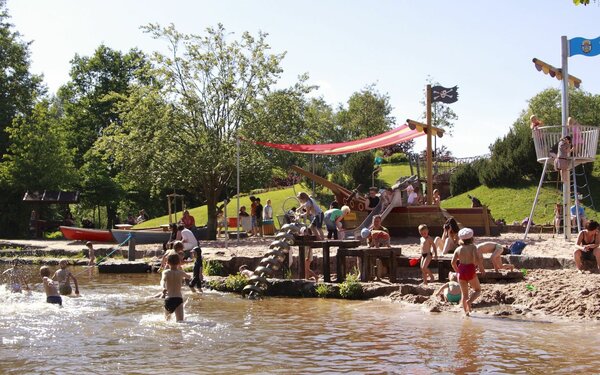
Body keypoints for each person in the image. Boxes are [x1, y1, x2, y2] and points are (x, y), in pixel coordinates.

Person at [451, 228, 485, 316]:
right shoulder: (473, 247)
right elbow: (477, 259)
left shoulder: (458, 249)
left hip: (461, 270)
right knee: (477, 290)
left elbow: (453, 262)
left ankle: (466, 313)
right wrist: (481, 268)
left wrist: (457, 272)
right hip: (470, 269)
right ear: (471, 238)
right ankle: (470, 301)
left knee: (464, 294)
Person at [161, 252, 191, 322]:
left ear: (167, 262)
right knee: (180, 322)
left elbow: (162, 280)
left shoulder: (166, 272)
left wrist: (163, 288)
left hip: (169, 299)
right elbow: (189, 277)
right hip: (178, 299)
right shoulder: (181, 273)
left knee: (166, 322)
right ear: (179, 262)